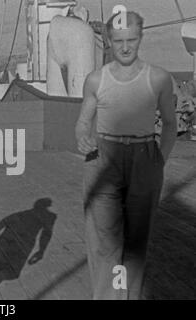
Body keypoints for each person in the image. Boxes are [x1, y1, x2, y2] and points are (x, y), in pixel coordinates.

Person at [75, 11, 176, 300]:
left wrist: (160, 159)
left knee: (135, 243)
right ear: (109, 40)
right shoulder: (96, 80)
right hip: (103, 157)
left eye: (131, 39)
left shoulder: (159, 78)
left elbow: (170, 123)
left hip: (145, 155)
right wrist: (82, 136)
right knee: (104, 241)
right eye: (119, 40)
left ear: (141, 37)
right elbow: (83, 120)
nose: (126, 47)